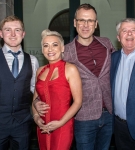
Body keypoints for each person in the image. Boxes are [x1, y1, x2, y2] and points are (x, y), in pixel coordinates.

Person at [33, 4, 115, 150]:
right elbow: (52, 79)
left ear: (96, 24)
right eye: (81, 20)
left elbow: (121, 61)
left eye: (90, 21)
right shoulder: (65, 51)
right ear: (75, 23)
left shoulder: (107, 44)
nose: (85, 25)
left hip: (108, 114)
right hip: (83, 117)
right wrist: (37, 102)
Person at [32, 29, 82, 150]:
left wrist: (60, 122)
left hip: (62, 125)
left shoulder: (70, 69)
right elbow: (34, 100)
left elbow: (78, 101)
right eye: (46, 45)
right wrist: (36, 117)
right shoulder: (40, 71)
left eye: (55, 45)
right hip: (42, 126)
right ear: (42, 50)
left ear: (62, 48)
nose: (50, 49)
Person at [0, 15, 39, 150]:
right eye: (7, 30)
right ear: (1, 33)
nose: (12, 34)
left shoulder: (32, 60)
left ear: (23, 34)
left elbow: (35, 90)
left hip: (22, 124)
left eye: (17, 30)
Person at [110, 18, 135, 150]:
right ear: (118, 37)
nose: (129, 34)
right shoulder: (113, 58)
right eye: (124, 31)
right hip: (119, 127)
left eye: (133, 30)